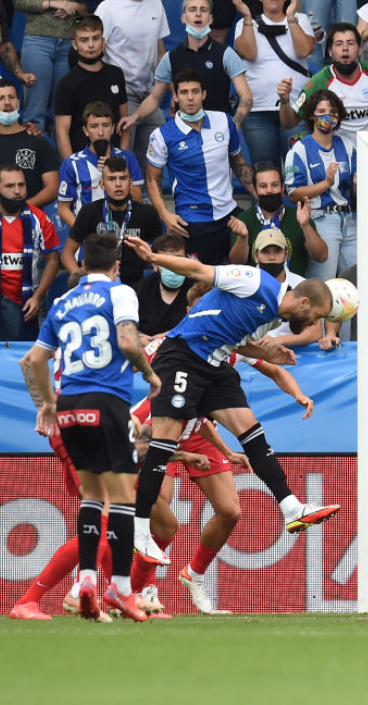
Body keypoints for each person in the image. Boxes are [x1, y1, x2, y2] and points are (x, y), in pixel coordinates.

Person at [122, 236, 340, 566]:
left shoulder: (276, 318)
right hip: (182, 355)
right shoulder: (257, 282)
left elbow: (237, 340)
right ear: (305, 303)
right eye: (317, 316)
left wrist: (269, 353)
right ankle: (139, 530)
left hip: (213, 364)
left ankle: (292, 508)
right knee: (163, 443)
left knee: (251, 431)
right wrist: (154, 255)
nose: (314, 324)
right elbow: (198, 270)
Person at [21, 233, 161, 621]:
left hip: (69, 407)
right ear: (116, 264)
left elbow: (34, 360)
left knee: (90, 497)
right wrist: (150, 375)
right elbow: (129, 341)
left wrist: (48, 403)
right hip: (107, 401)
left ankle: (86, 580)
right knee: (122, 498)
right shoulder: (120, 293)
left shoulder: (63, 302)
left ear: (81, 265)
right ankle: (118, 587)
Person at [146, 70, 253, 265]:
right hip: (193, 223)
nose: (190, 97)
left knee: (241, 279)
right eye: (184, 92)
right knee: (200, 287)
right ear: (176, 97)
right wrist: (164, 214)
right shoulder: (162, 135)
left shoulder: (224, 121)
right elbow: (153, 179)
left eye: (195, 91)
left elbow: (237, 162)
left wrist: (259, 194)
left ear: (203, 94)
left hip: (229, 216)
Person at [119, 0, 254, 135]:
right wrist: (134, 117)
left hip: (219, 136)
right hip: (184, 137)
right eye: (192, 10)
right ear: (183, 18)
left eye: (204, 10)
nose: (198, 14)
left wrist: (233, 125)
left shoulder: (226, 54)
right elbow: (154, 98)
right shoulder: (170, 58)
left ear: (211, 18)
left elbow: (246, 97)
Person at [233, 0, 315, 169]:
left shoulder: (300, 19)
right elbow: (248, 53)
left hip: (296, 110)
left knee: (298, 169)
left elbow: (304, 50)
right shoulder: (244, 23)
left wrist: (291, 17)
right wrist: (248, 17)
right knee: (264, 170)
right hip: (257, 112)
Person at [283, 23, 368, 143]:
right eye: (339, 44)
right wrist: (284, 101)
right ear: (330, 51)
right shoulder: (319, 81)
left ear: (359, 49)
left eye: (350, 43)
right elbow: (289, 123)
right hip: (336, 157)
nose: (345, 48)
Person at [284, 91, 357, 281]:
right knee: (323, 285)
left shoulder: (349, 146)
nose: (328, 116)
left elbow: (357, 187)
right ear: (311, 115)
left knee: (360, 283)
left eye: (333, 111)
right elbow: (293, 193)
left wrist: (359, 184)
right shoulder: (299, 149)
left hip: (351, 220)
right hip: (321, 218)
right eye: (321, 111)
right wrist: (326, 183)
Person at [60, 156, 160, 288]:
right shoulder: (89, 212)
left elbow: (161, 253)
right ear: (102, 184)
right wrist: (84, 282)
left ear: (130, 183)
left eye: (123, 178)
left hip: (136, 289)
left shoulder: (147, 213)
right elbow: (67, 254)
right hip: (98, 288)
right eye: (112, 179)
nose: (118, 184)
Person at [97, 0, 172, 173]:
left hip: (151, 97)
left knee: (154, 166)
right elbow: (96, 51)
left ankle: (148, 199)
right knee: (122, 164)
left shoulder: (156, 4)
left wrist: (173, 92)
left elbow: (161, 54)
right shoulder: (107, 8)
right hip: (121, 97)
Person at [53, 14, 130, 159]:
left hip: (114, 162)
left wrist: (121, 158)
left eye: (95, 38)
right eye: (84, 40)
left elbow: (124, 123)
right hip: (82, 163)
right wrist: (74, 169)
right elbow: (61, 133)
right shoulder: (66, 84)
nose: (90, 45)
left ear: (103, 41)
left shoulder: (116, 74)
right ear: (74, 45)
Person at [231, 163, 328, 276]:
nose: (269, 190)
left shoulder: (298, 216)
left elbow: (321, 257)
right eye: (263, 186)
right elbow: (236, 263)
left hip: (294, 289)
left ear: (283, 188)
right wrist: (243, 237)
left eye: (275, 185)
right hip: (257, 288)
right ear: (255, 191)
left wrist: (305, 225)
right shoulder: (244, 219)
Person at [57, 105, 144, 230]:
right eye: (94, 126)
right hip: (89, 240)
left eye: (106, 125)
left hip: (123, 233)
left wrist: (117, 171)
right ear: (85, 130)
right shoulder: (72, 163)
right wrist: (83, 233)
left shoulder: (127, 158)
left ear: (113, 128)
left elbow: (138, 199)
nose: (101, 132)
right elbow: (63, 208)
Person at [0, 164, 60, 341]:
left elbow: (52, 260)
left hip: (26, 305)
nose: (17, 191)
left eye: (21, 185)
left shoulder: (39, 219)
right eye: (10, 186)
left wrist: (38, 296)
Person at [13, 0, 87, 133]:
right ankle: (32, 153)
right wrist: (52, 3)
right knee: (35, 110)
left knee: (63, 112)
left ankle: (61, 154)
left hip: (69, 43)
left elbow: (85, 8)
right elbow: (18, 2)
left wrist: (74, 6)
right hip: (38, 40)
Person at [250, 227, 324, 346]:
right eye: (265, 251)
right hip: (248, 354)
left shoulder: (303, 285)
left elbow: (315, 332)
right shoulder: (242, 282)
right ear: (256, 256)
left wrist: (278, 341)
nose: (272, 257)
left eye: (277, 251)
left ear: (286, 255)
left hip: (294, 355)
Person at [0, 79, 61, 210]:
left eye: (11, 97)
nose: (7, 102)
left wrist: (22, 208)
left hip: (29, 221)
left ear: (18, 102)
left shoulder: (37, 140)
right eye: (1, 98)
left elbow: (53, 187)